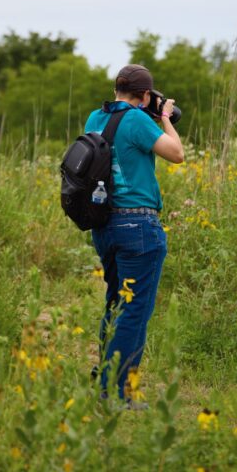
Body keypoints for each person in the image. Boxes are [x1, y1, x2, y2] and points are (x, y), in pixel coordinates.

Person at [85, 64, 184, 406]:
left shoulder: (94, 119)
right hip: (138, 227)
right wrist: (166, 116)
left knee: (116, 303)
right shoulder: (139, 119)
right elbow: (177, 154)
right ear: (145, 96)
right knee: (134, 309)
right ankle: (116, 392)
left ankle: (105, 385)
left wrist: (148, 113)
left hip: (104, 225)